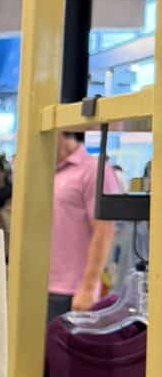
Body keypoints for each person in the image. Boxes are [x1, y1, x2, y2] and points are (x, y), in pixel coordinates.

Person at [47, 131, 118, 322]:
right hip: (38, 285)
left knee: (64, 350)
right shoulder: (45, 172)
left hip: (71, 291)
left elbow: (104, 230)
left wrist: (88, 287)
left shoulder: (93, 170)